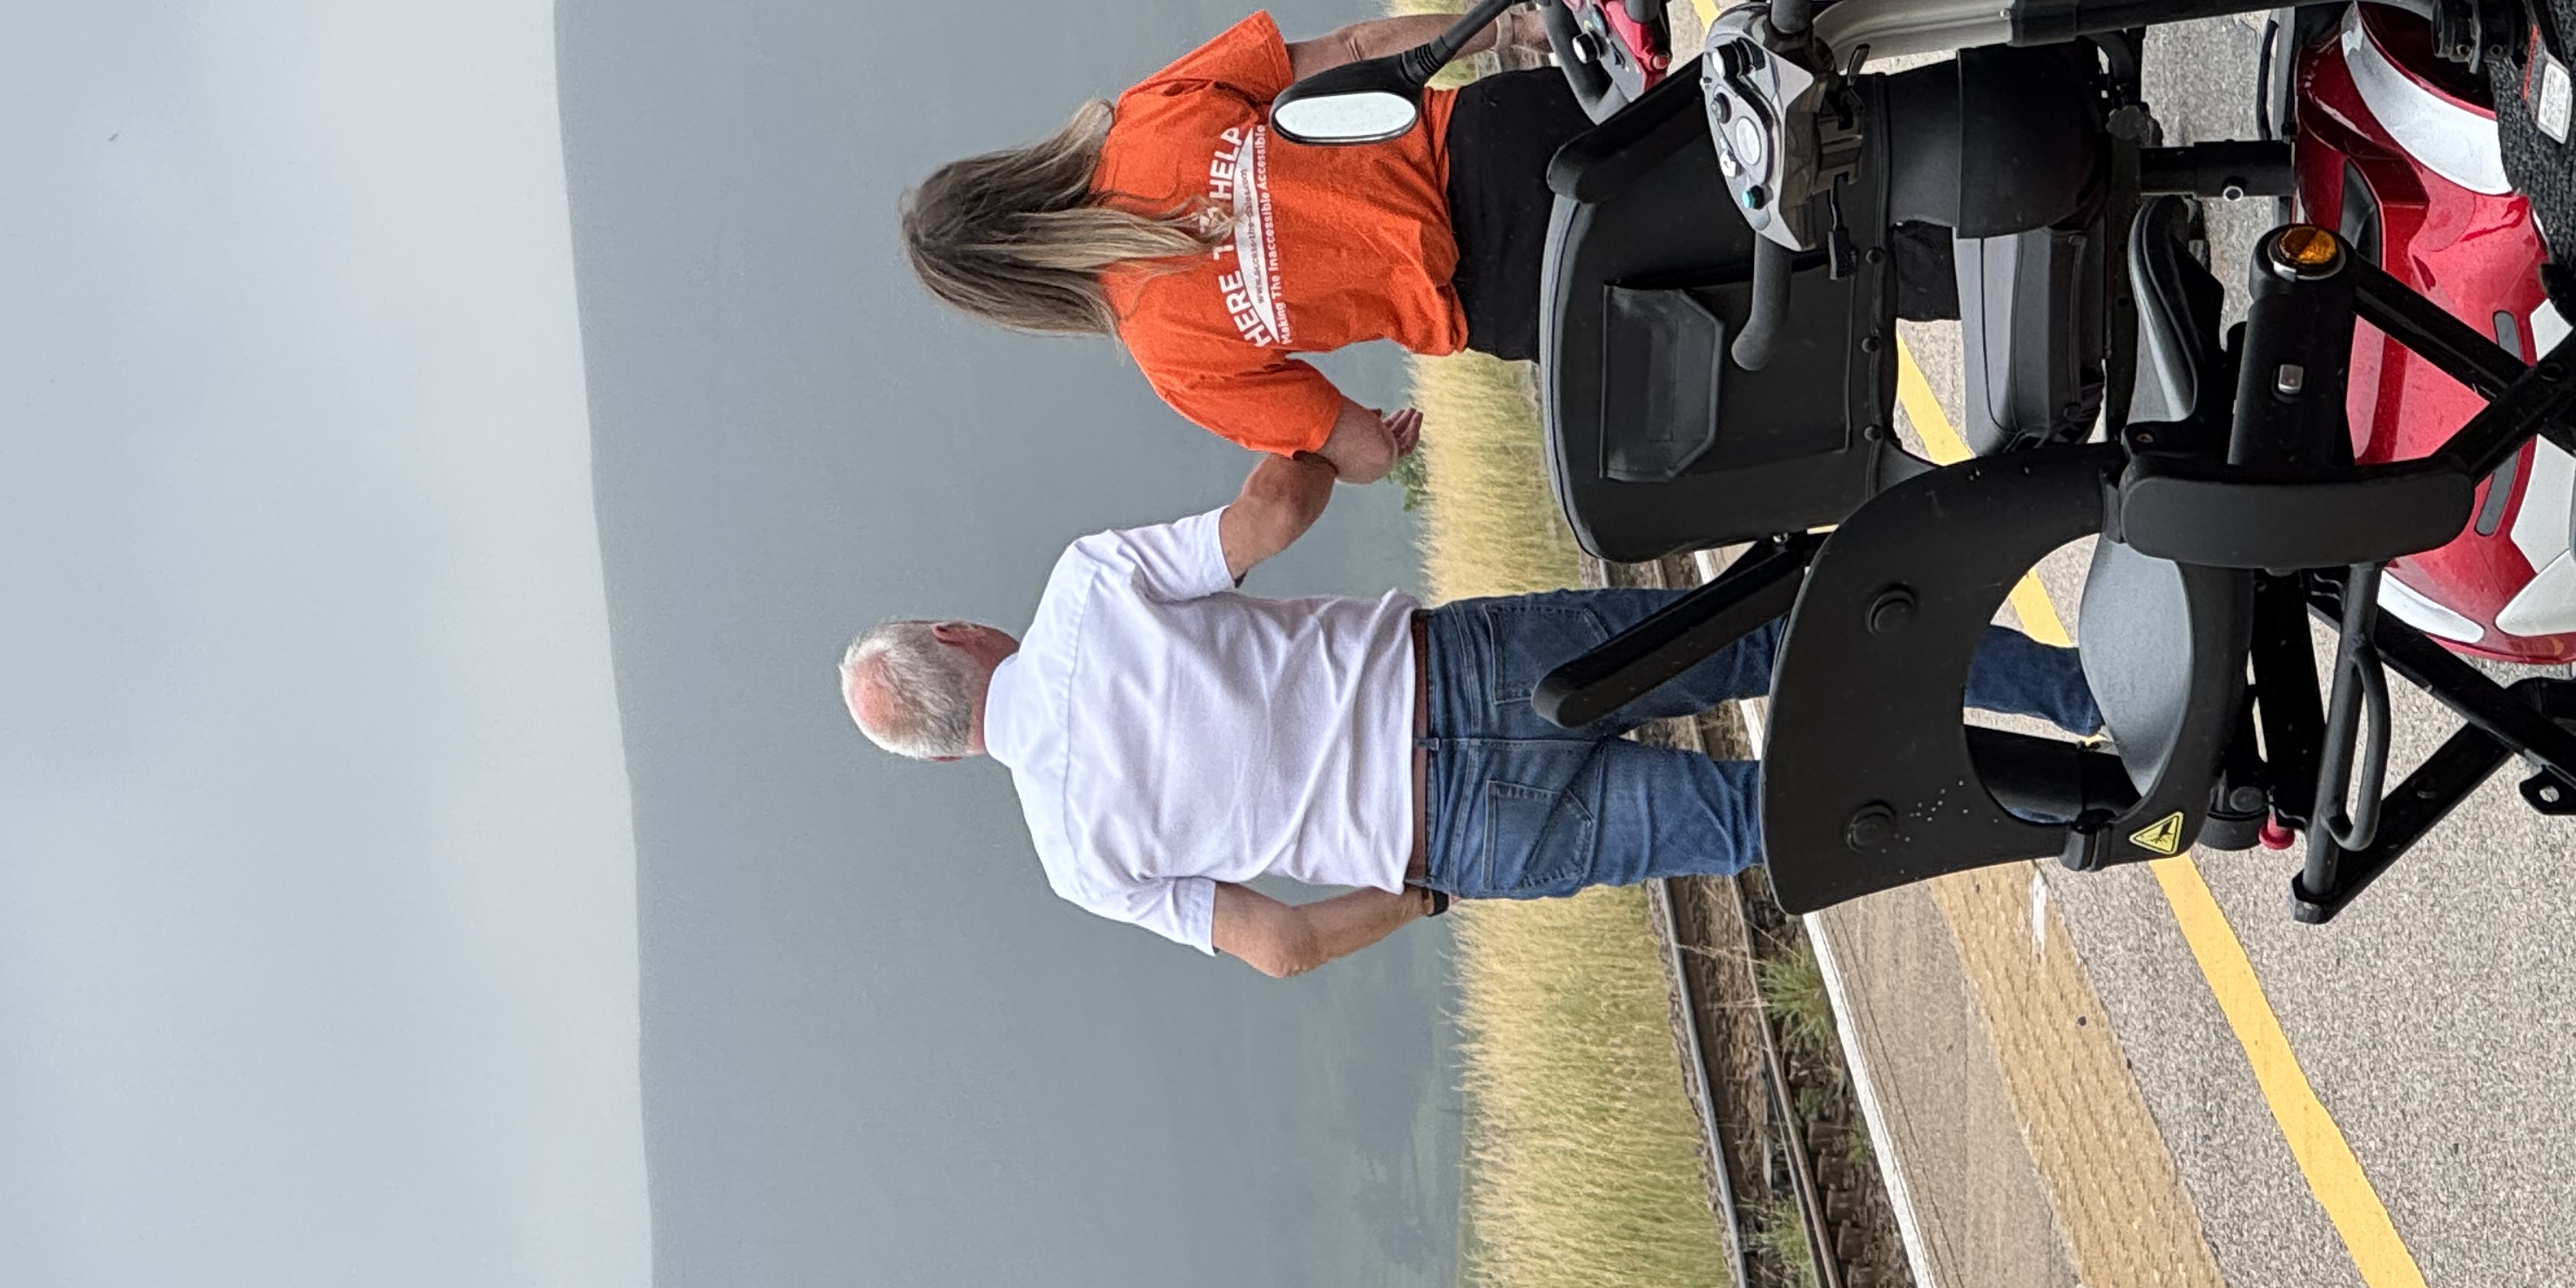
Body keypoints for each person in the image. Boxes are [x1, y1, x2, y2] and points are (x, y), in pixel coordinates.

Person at [836, 448, 2105, 974]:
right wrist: (1327, 440)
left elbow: (1282, 947)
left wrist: (1428, 891)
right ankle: (2088, 695)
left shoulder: (1075, 860)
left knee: (1773, 812)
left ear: (949, 755)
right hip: (1461, 672)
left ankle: (2081, 805)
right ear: (955, 636)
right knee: (1780, 639)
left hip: (1461, 839)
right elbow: (1268, 517)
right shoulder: (1083, 592)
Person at [899, 3, 1590, 483]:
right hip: (1494, 135)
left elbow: (1359, 447)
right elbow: (1353, 50)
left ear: (1013, 299)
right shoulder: (1142, 117)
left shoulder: (1173, 359)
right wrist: (1515, 27)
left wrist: (1374, 449)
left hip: (1517, 295)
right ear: (1008, 169)